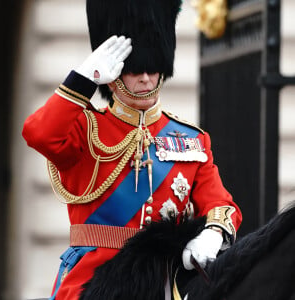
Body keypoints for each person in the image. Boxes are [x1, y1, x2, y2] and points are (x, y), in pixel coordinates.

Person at [22, 0, 242, 299]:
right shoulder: (85, 129)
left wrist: (212, 235)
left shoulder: (192, 139)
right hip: (93, 280)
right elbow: (39, 133)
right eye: (134, 68)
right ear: (114, 74)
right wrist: (82, 79)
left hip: (163, 283)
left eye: (153, 68)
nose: (145, 77)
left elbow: (221, 205)